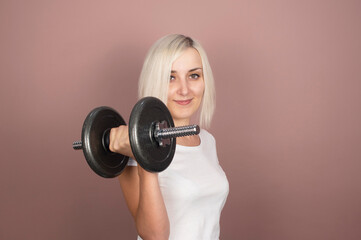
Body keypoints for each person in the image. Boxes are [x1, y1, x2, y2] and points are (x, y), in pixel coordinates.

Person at [109, 34, 229, 240]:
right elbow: (154, 236)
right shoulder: (133, 146)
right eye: (170, 77)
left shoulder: (207, 141)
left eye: (194, 76)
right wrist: (143, 156)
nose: (184, 90)